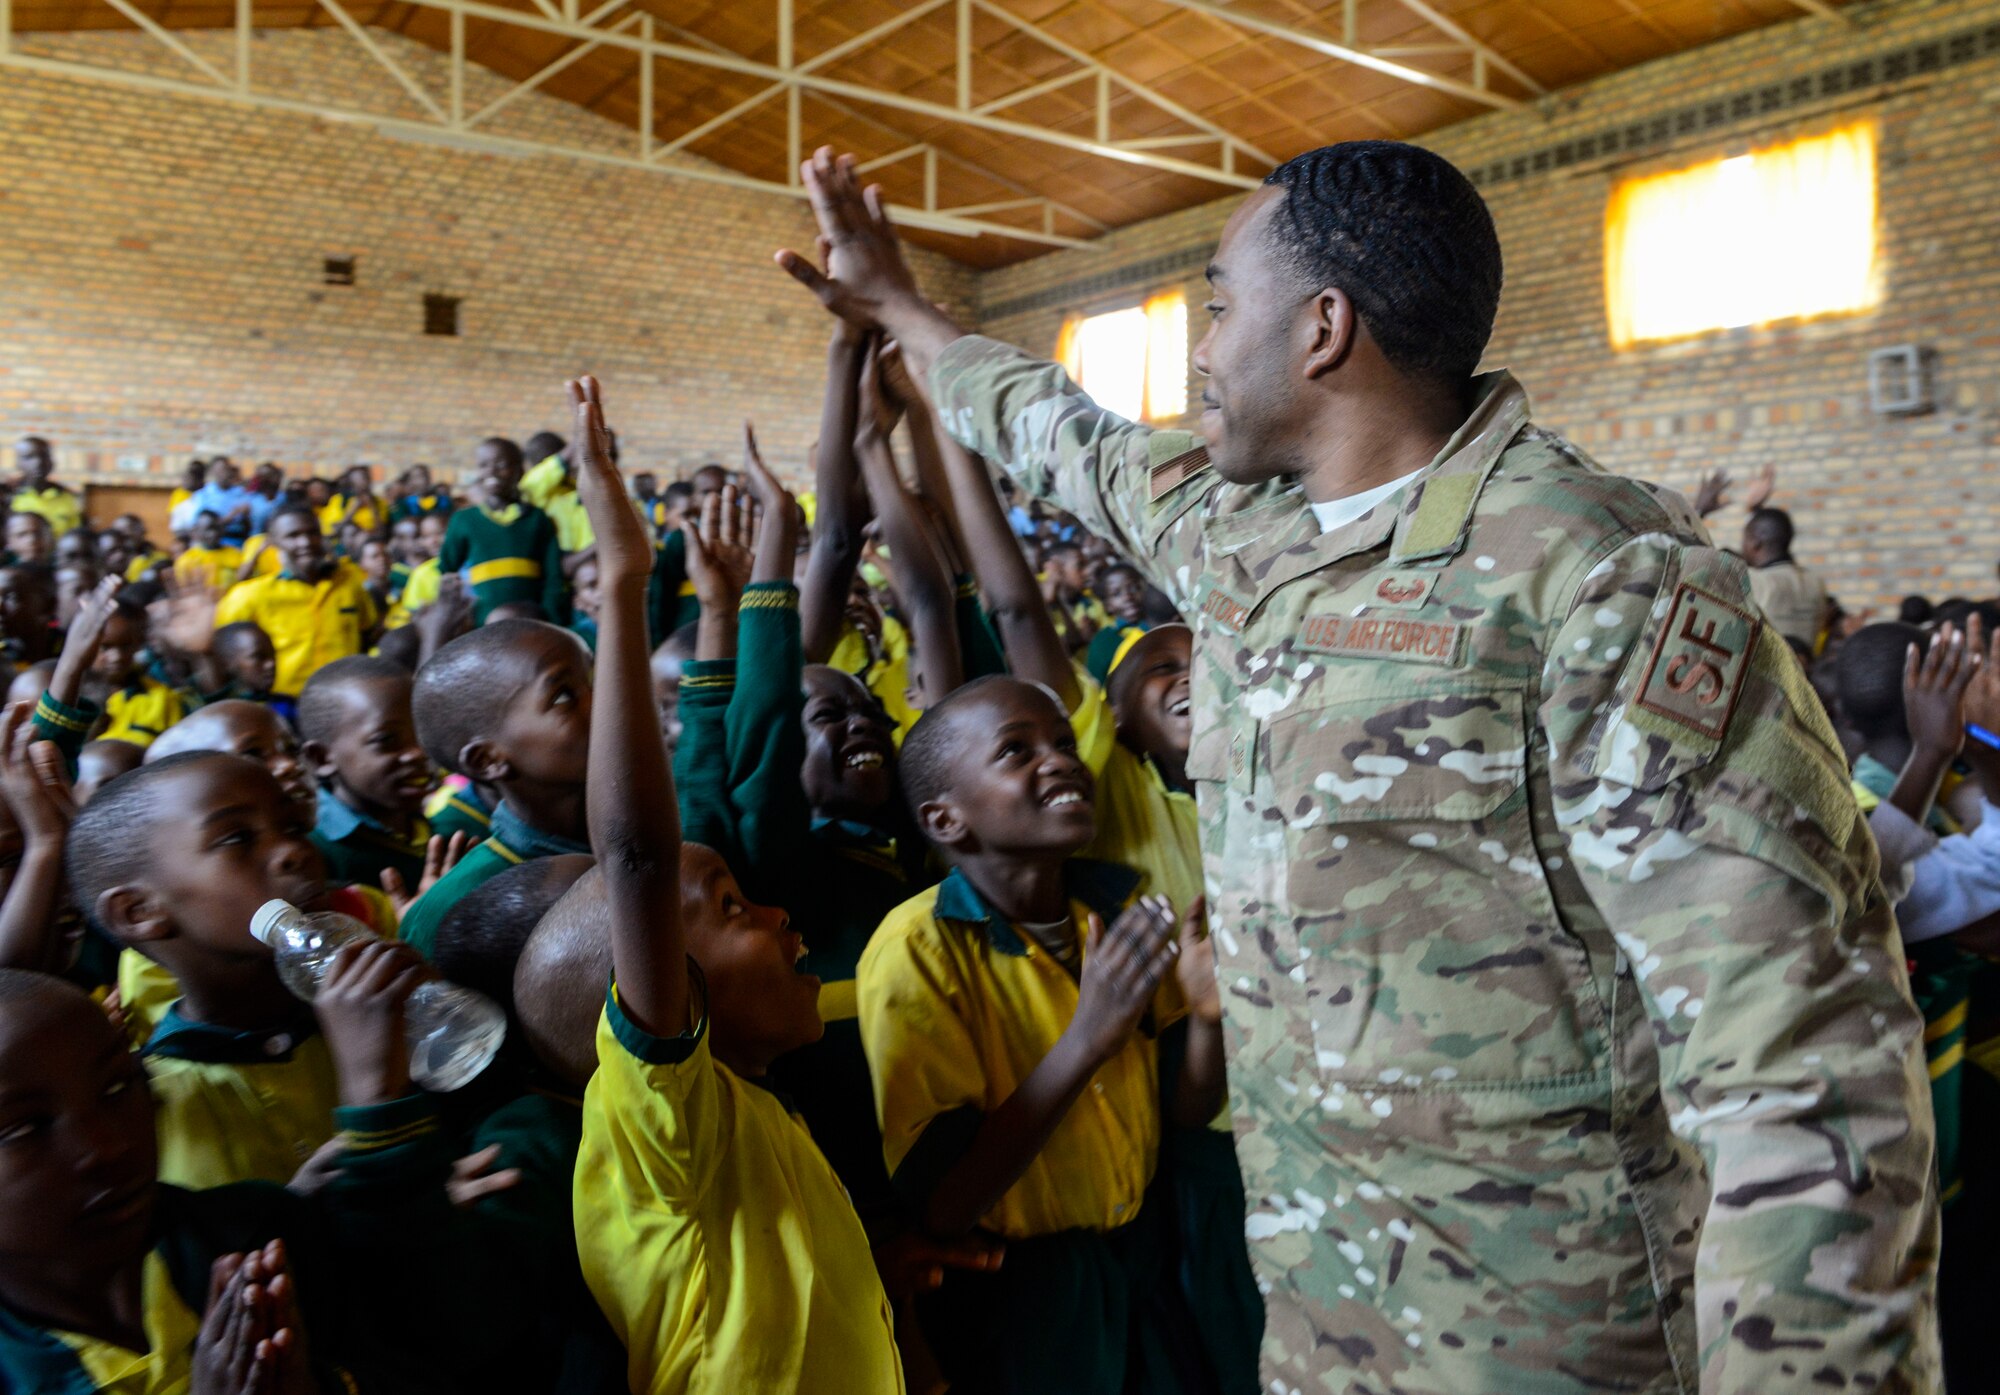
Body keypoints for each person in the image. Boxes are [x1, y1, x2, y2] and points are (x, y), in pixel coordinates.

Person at [778, 141, 1940, 1390]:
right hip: (1322, 1321)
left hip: (1547, 1341)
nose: (1202, 352)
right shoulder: (1244, 534)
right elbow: (1058, 431)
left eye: (1219, 307)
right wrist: (894, 301)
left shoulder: (1594, 580)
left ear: (1322, 328)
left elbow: (1800, 1057)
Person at [561, 374, 903, 1395]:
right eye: (733, 914)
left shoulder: (761, 1111)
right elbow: (643, 852)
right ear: (670, 988)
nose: (777, 913)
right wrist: (625, 583)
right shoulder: (677, 1133)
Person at [0, 965, 510, 1394]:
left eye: (117, 1087)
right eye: (21, 1128)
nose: (106, 1146)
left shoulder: (259, 1235)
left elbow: (440, 1364)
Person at [398, 617, 593, 958]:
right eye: (563, 696)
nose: (606, 700)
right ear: (487, 760)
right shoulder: (451, 913)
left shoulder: (660, 814)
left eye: (595, 676)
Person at [298, 655, 436, 890]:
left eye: (422, 733)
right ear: (321, 758)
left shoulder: (435, 828)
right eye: (386, 740)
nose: (418, 753)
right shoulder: (318, 858)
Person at [214, 502, 379, 699]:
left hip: (345, 699)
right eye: (293, 536)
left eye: (312, 533)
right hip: (283, 705)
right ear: (274, 542)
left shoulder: (349, 584)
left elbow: (368, 633)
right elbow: (226, 656)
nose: (306, 542)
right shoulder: (249, 596)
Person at [439, 437, 565, 624]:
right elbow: (447, 571)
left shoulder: (536, 519)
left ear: (518, 471)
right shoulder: (464, 520)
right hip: (481, 621)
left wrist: (552, 618)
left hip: (531, 619)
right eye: (483, 465)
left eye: (501, 464)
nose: (491, 471)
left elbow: (553, 577)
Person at [1742, 505, 1830, 652]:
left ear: (1755, 543)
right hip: (1807, 672)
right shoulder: (1815, 582)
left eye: (1745, 538)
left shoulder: (1754, 581)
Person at [10, 436, 81, 538]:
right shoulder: (8, 496)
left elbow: (74, 535)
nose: (38, 462)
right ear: (18, 463)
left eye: (44, 456)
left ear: (52, 461)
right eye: (29, 457)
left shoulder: (66, 497)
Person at [171, 510, 242, 590]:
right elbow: (184, 592)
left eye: (217, 528)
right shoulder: (186, 561)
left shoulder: (235, 554)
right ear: (197, 531)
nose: (214, 533)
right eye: (209, 529)